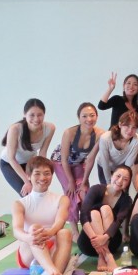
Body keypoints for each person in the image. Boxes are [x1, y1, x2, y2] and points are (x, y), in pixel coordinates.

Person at [12, 156, 72, 275]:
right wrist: (30, 237)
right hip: (29, 251)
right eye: (37, 173)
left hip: (52, 248)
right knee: (34, 228)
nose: (42, 178)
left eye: (47, 173)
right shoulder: (20, 204)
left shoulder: (62, 199)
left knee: (65, 232)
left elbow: (60, 222)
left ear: (52, 175)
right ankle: (53, 274)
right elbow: (16, 230)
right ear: (29, 176)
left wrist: (49, 232)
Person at [51, 103, 104, 240]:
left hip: (80, 163)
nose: (89, 119)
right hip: (60, 163)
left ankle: (88, 226)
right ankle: (75, 231)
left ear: (97, 116)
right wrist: (70, 180)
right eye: (84, 116)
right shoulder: (69, 133)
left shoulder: (100, 134)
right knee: (71, 193)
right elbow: (64, 159)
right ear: (79, 118)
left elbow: (90, 159)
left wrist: (85, 181)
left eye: (92, 115)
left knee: (84, 192)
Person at [78, 166, 133, 271]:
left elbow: (117, 222)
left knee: (106, 209)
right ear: (111, 175)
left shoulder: (127, 200)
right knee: (94, 213)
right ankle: (107, 255)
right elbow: (83, 215)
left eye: (125, 179)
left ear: (128, 183)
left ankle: (103, 255)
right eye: (118, 176)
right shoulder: (96, 189)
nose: (120, 181)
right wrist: (96, 239)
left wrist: (104, 238)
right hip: (89, 242)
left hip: (111, 241)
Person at [0, 99, 55, 196]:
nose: (36, 119)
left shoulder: (50, 128)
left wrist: (42, 173)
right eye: (32, 115)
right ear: (25, 114)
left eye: (40, 115)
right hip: (9, 164)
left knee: (39, 191)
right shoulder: (15, 129)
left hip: (29, 164)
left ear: (44, 114)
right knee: (27, 193)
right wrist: (27, 181)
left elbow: (42, 153)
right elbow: (11, 158)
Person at [93, 110, 138, 184]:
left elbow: (128, 165)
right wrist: (109, 183)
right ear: (120, 124)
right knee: (106, 187)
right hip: (104, 166)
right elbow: (105, 162)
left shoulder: (137, 140)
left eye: (134, 127)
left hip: (122, 168)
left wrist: (121, 178)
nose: (130, 130)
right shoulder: (105, 138)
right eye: (127, 126)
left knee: (121, 187)